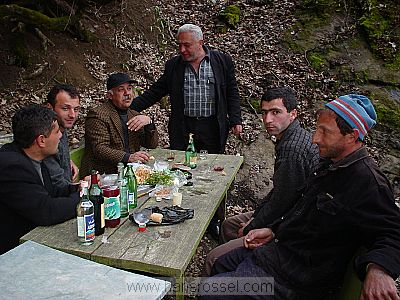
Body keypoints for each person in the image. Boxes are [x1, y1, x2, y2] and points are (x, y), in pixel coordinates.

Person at [201, 94, 400, 300]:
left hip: (294, 281)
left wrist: (379, 268)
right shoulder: (329, 164)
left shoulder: (367, 182)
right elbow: (302, 211)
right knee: (219, 264)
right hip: (277, 253)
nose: (315, 139)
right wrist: (273, 229)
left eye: (325, 132)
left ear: (352, 135)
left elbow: (393, 231)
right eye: (317, 129)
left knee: (209, 291)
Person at [202, 87, 319, 275]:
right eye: (264, 113)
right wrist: (256, 216)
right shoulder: (289, 137)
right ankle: (234, 267)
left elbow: (283, 202)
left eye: (276, 112)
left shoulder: (292, 150)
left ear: (293, 114)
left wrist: (254, 224)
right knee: (228, 225)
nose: (268, 120)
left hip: (289, 225)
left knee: (212, 259)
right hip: (285, 211)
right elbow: (279, 192)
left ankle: (226, 269)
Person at [128, 23, 242, 154]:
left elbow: (231, 91)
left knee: (211, 165)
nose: (182, 50)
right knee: (181, 165)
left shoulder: (221, 61)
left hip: (212, 127)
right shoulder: (174, 66)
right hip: (183, 127)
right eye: (180, 45)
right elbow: (155, 92)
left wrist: (235, 119)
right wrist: (127, 108)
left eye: (187, 45)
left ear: (200, 43)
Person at [0, 106, 80, 254]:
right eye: (57, 132)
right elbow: (46, 210)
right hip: (11, 255)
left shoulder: (33, 157)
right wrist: (82, 198)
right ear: (41, 140)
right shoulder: (12, 166)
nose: (61, 137)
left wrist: (79, 188)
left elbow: (51, 192)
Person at [80, 72, 158, 176]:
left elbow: (151, 144)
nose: (127, 93)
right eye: (121, 89)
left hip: (131, 172)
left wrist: (149, 123)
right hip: (102, 174)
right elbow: (100, 149)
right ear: (110, 95)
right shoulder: (98, 115)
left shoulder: (133, 114)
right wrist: (128, 157)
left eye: (129, 89)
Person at [43, 84, 81, 188]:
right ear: (49, 108)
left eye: (76, 109)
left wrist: (68, 160)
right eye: (65, 108)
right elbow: (56, 184)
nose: (72, 115)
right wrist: (83, 187)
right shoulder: (46, 139)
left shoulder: (61, 128)